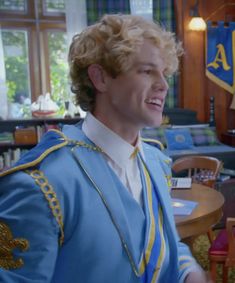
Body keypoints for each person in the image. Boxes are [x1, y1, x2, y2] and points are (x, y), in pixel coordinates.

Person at [0, 14, 209, 283]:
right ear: (100, 78)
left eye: (164, 73)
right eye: (147, 71)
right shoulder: (41, 184)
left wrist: (188, 271)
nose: (163, 85)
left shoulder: (156, 161)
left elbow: (157, 244)